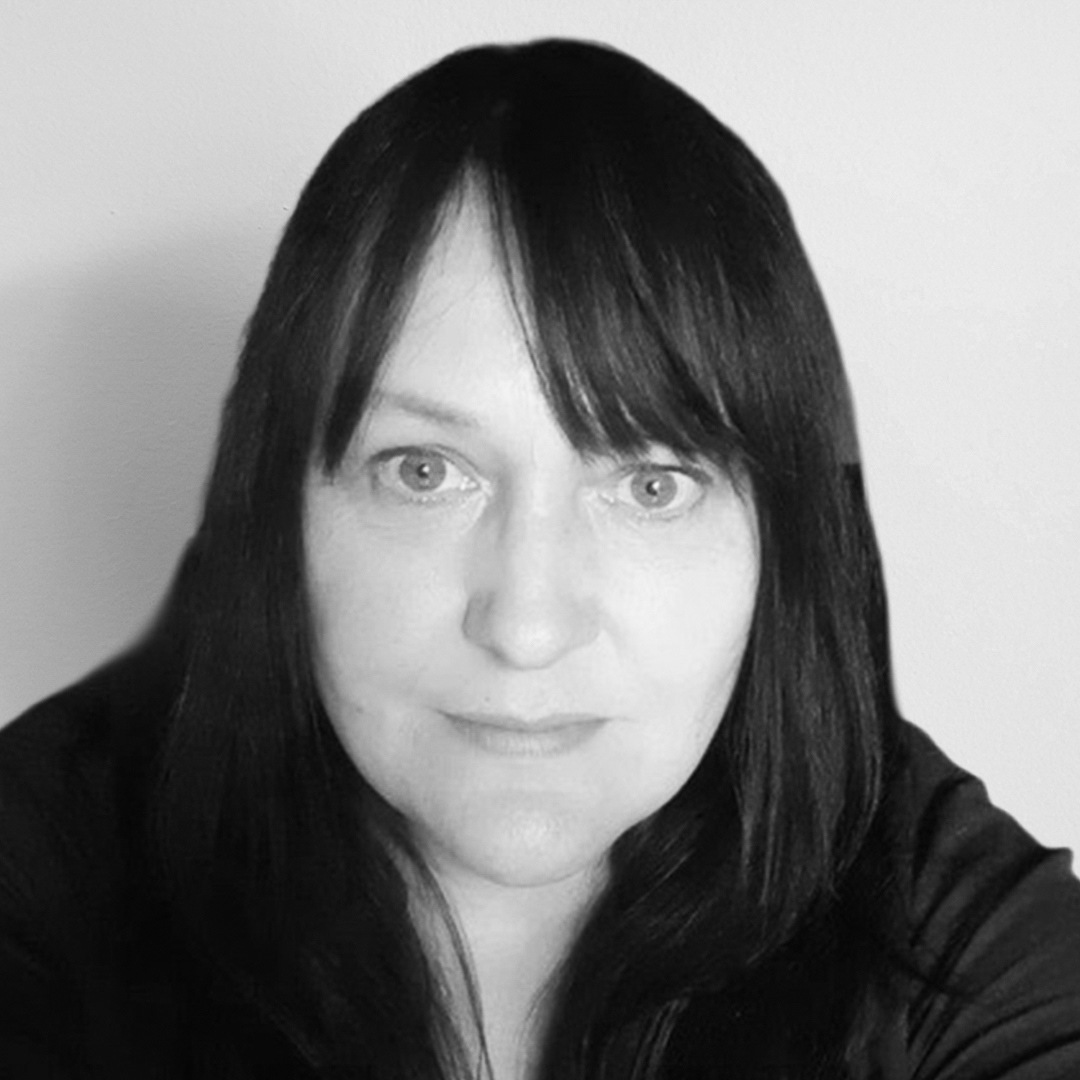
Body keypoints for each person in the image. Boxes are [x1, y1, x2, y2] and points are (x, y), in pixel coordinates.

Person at [1, 38, 1078, 1080]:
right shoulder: (52, 877)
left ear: (780, 545)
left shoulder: (938, 916)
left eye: (651, 485)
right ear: (280, 512)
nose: (526, 626)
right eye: (424, 471)